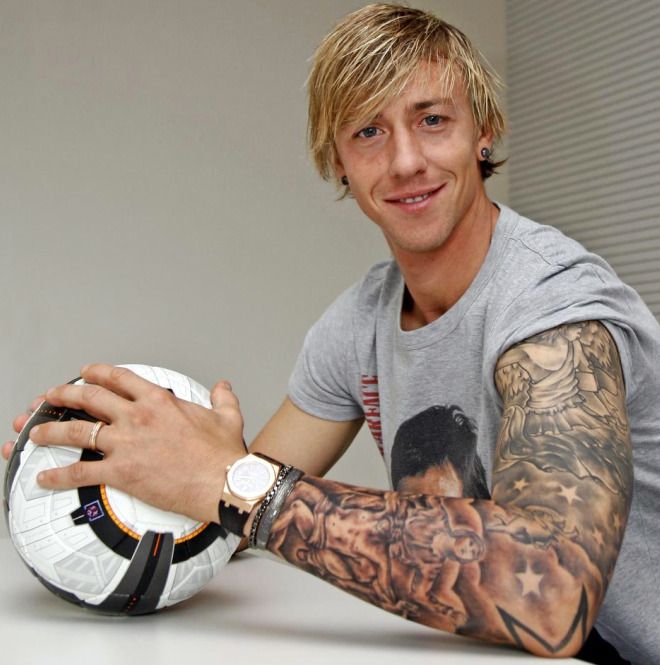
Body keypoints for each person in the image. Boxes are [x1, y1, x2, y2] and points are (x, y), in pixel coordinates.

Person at [4, 4, 659, 663]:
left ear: (482, 134)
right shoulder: (360, 321)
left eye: (433, 120)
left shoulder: (558, 309)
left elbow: (550, 597)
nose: (405, 160)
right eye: (368, 131)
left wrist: (233, 479)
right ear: (337, 161)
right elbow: (229, 517)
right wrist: (94, 464)